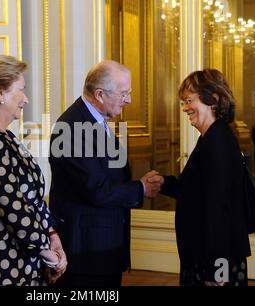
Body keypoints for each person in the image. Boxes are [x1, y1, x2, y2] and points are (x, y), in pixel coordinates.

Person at [48, 60, 163, 287]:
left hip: (102, 247)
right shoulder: (72, 127)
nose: (128, 100)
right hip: (88, 253)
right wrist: (141, 188)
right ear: (99, 94)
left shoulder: (95, 120)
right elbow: (97, 191)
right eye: (124, 93)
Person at [0, 55, 67, 286]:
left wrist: (53, 236)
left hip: (23, 258)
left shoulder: (4, 137)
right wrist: (49, 256)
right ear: (0, 93)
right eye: (21, 90)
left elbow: (33, 201)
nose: (25, 99)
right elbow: (12, 207)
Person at [159, 69, 251, 286]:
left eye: (189, 100)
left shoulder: (218, 141)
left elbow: (221, 208)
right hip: (203, 254)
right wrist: (163, 182)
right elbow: (193, 188)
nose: (184, 108)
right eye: (183, 102)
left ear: (213, 99)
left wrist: (215, 270)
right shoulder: (211, 137)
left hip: (214, 259)